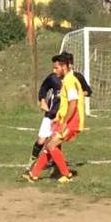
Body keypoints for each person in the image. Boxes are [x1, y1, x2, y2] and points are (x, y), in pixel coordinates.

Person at [24, 53, 85, 183]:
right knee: (50, 145)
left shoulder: (69, 80)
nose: (54, 70)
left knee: (51, 145)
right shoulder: (67, 80)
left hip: (73, 122)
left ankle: (66, 174)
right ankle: (33, 175)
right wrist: (58, 118)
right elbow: (65, 104)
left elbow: (73, 103)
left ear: (65, 66)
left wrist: (65, 122)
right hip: (66, 120)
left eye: (57, 67)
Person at [28, 57, 62, 168]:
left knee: (56, 139)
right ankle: (32, 160)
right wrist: (42, 100)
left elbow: (87, 90)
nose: (54, 70)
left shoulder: (73, 79)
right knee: (42, 140)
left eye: (56, 68)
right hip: (50, 114)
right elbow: (43, 88)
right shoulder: (53, 78)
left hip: (62, 116)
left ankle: (57, 163)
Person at [62, 51, 93, 117]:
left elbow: (88, 91)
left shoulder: (78, 76)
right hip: (61, 111)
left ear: (72, 64)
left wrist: (79, 94)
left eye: (69, 63)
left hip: (75, 112)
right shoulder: (57, 77)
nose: (67, 66)